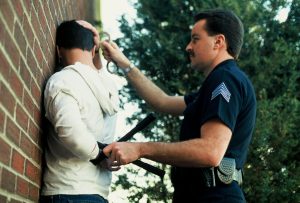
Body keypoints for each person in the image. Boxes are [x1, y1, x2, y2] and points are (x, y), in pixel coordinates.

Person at [85, 8, 256, 202]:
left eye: (195, 39)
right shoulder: (214, 85)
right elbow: (162, 101)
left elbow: (210, 151)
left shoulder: (225, 79)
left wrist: (140, 149)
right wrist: (122, 62)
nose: (188, 47)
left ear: (218, 42)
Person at [40, 20, 120, 203]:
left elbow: (71, 133)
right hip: (98, 194)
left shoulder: (62, 81)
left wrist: (99, 155)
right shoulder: (109, 87)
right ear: (93, 50)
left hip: (67, 191)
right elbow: (93, 71)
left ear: (58, 50)